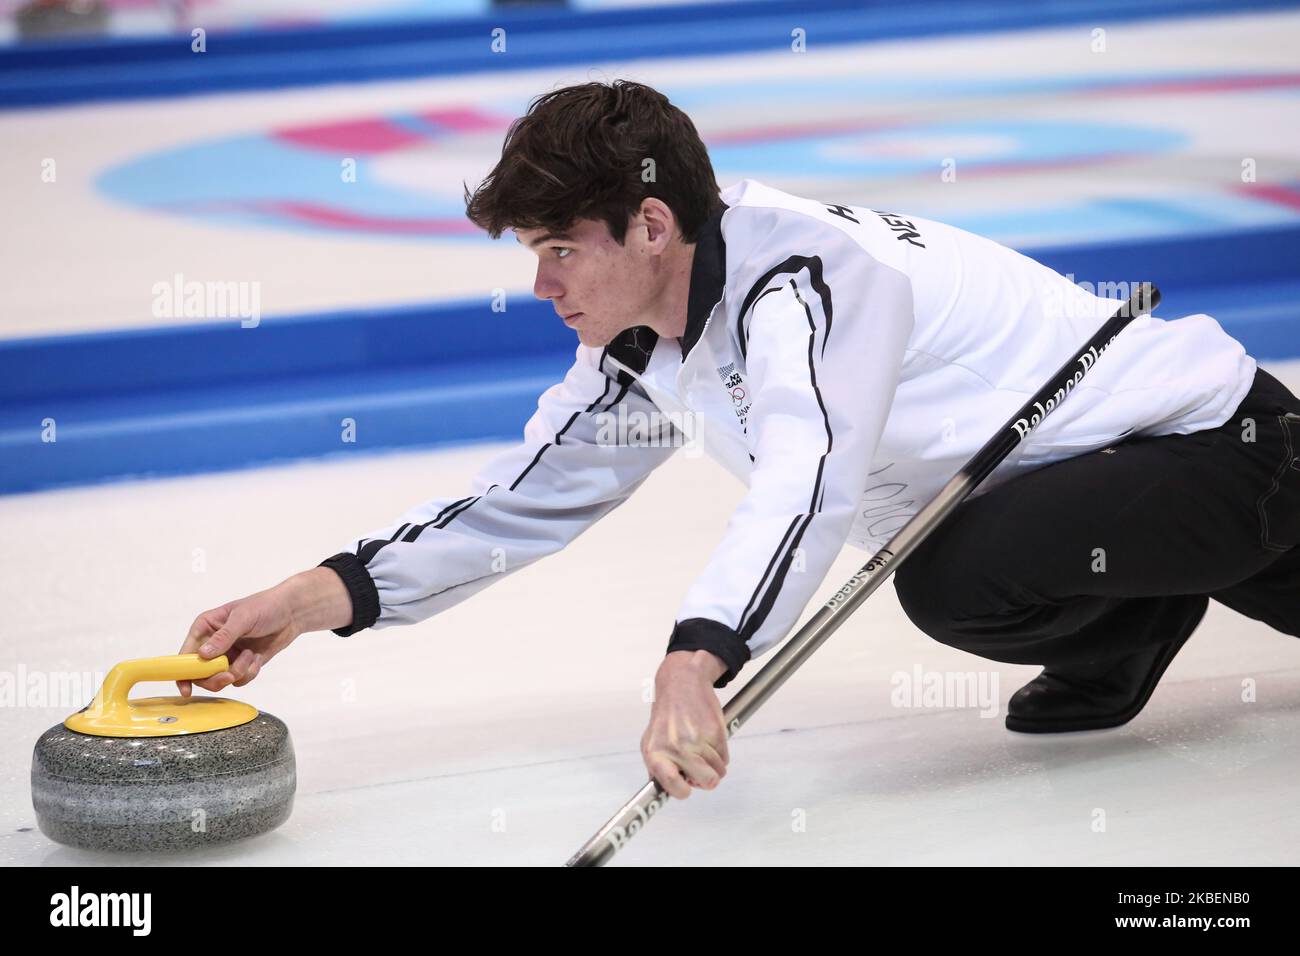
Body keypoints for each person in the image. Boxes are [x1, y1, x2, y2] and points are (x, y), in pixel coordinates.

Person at [177, 79, 1300, 800]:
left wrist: (695, 654)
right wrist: (308, 597)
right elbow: (520, 498)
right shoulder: (643, 335)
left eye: (560, 247)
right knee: (956, 572)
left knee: (951, 571)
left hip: (1226, 447)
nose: (539, 282)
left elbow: (807, 478)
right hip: (1109, 499)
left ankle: (1141, 607)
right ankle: (1136, 614)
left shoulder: (805, 282)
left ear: (652, 224)